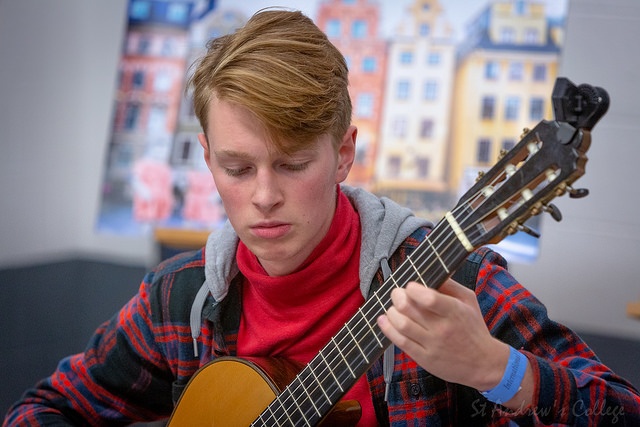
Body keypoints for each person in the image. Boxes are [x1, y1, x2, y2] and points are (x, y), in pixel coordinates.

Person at [4, 8, 640, 427]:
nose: (264, 196)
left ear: (343, 154)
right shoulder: (180, 299)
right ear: (207, 158)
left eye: (291, 164)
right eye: (237, 167)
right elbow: (48, 408)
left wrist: (500, 372)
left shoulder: (447, 284)